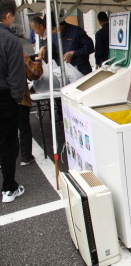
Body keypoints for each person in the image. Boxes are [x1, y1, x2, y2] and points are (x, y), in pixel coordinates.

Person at [0, 0, 26, 203]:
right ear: (8, 16)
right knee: (8, 144)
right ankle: (9, 188)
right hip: (5, 98)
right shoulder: (10, 40)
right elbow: (16, 76)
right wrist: (17, 100)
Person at [19, 52, 44, 166]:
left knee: (5, 130)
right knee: (23, 128)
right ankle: (26, 156)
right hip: (19, 97)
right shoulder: (19, 54)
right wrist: (38, 60)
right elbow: (34, 74)